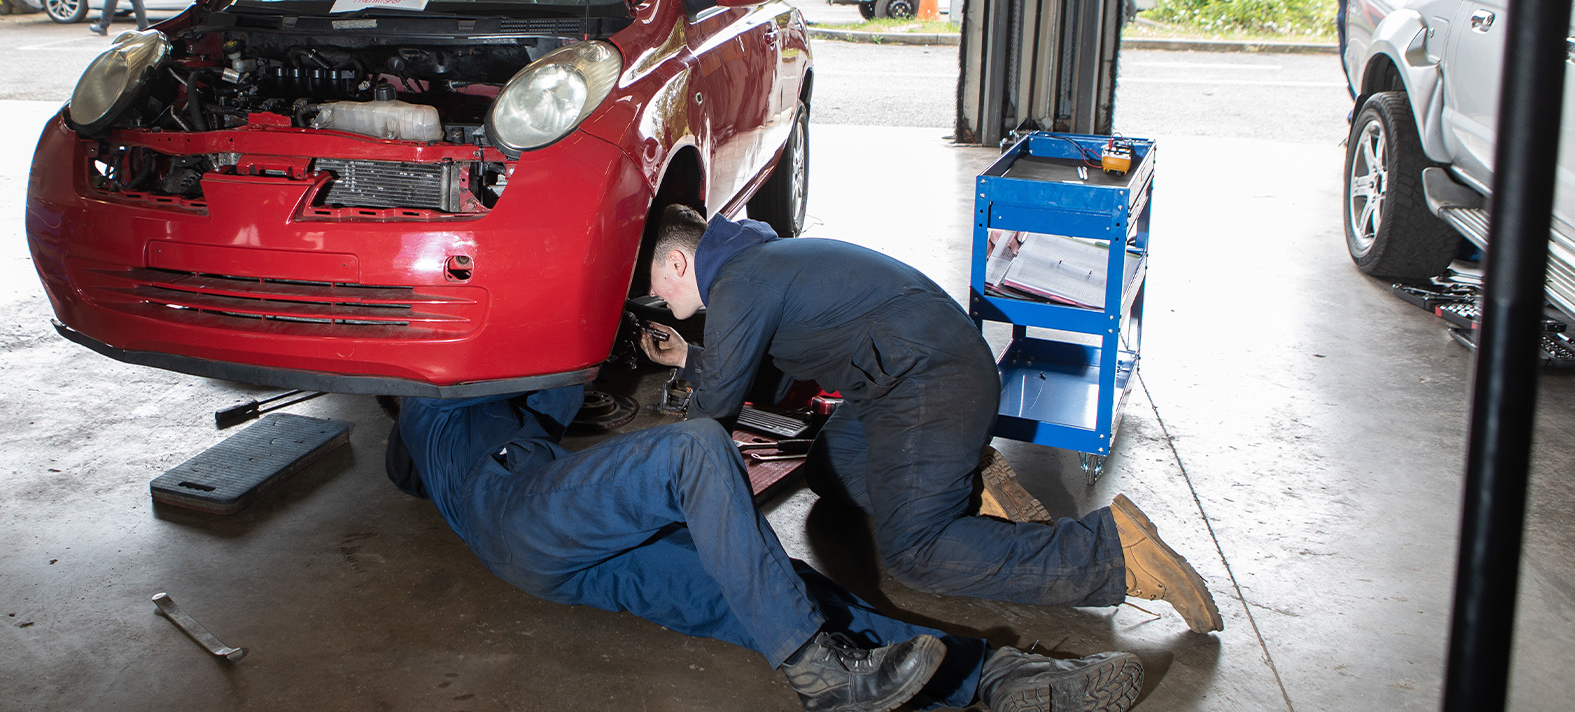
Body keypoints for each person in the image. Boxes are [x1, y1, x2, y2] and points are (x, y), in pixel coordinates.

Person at [638, 205, 1224, 634]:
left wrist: (653, 484)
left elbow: (715, 410)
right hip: (910, 383)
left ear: (678, 260)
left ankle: (1111, 551)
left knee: (913, 552)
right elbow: (763, 374)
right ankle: (965, 485)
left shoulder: (738, 282)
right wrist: (687, 356)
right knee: (829, 467)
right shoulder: (758, 263)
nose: (660, 300)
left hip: (931, 385)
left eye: (655, 286)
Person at [387, 386, 1147, 712]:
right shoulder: (440, 384)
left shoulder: (431, 441)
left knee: (764, 583)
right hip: (527, 512)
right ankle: (818, 675)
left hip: (569, 555)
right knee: (692, 451)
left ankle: (998, 678)